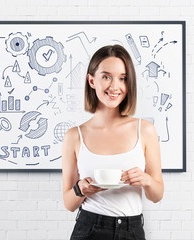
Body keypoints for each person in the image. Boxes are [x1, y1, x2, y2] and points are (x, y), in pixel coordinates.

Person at [62, 45, 164, 240]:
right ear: (92, 80)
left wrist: (146, 180)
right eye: (106, 77)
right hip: (89, 227)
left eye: (123, 78)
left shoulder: (145, 130)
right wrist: (80, 189)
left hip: (131, 229)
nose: (115, 86)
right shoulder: (74, 136)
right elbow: (69, 203)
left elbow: (156, 195)